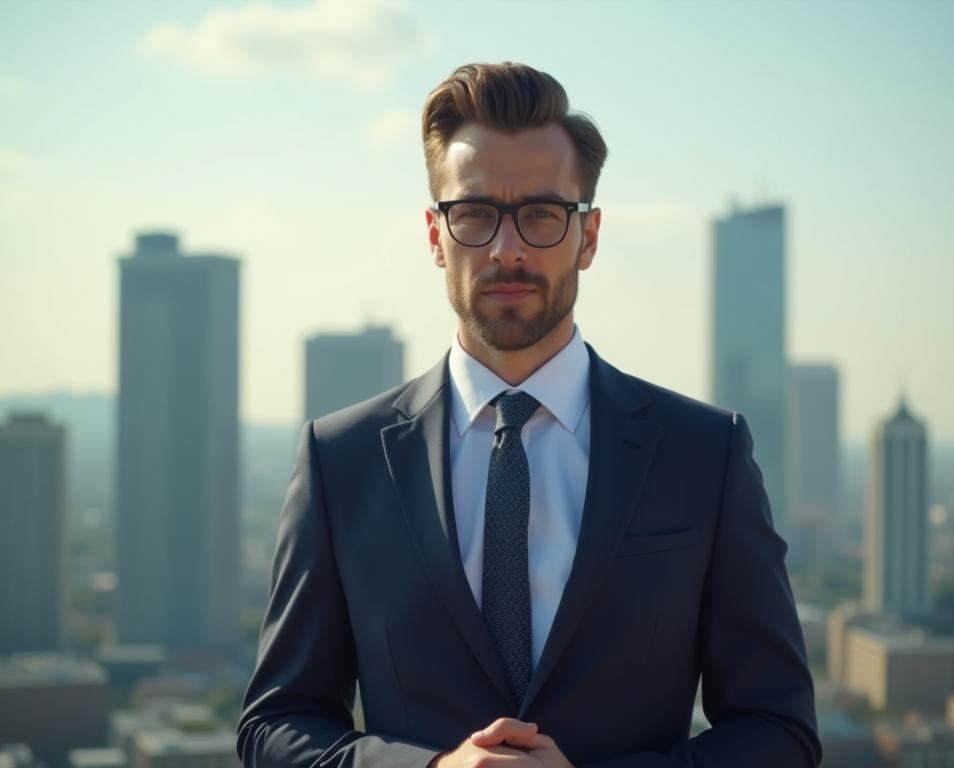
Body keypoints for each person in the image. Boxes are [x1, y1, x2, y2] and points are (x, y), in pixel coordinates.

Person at [236, 62, 821, 768]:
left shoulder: (705, 454)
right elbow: (276, 726)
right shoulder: (343, 461)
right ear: (434, 235)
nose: (507, 250)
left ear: (590, 236)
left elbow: (778, 732)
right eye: (475, 214)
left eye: (541, 214)